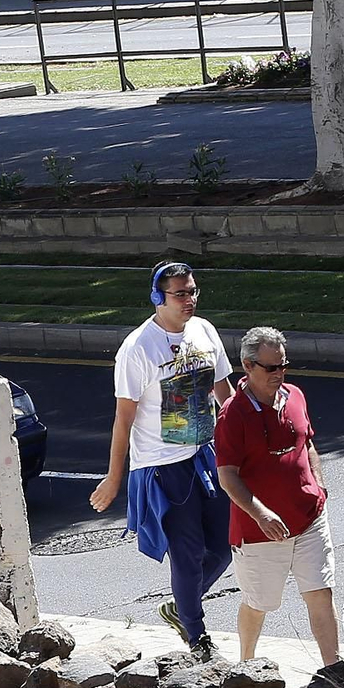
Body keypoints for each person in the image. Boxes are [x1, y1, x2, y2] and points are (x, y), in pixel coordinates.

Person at [89, 262, 235, 656]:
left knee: (223, 545)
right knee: (186, 554)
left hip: (205, 456)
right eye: (180, 294)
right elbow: (124, 417)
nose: (189, 300)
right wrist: (114, 477)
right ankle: (196, 634)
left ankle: (181, 606)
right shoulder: (138, 348)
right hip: (162, 466)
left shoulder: (204, 331)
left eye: (193, 292)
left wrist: (247, 439)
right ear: (158, 298)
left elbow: (225, 392)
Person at [214, 327, 339, 668]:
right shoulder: (231, 414)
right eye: (270, 368)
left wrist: (319, 484)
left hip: (309, 517)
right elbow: (228, 476)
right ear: (247, 366)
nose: (279, 374)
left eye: (283, 365)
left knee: (320, 592)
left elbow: (307, 443)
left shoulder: (295, 395)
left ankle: (335, 670)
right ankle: (246, 667)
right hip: (259, 533)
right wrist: (261, 514)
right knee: (259, 602)